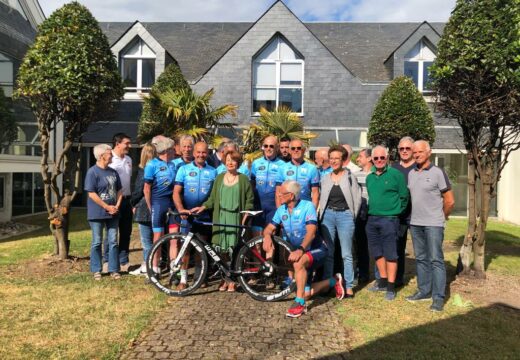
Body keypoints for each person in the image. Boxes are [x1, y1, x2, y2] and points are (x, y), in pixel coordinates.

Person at [263, 180, 344, 318]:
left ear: (292, 195)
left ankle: (300, 304)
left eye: (282, 193)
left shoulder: (308, 206)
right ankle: (333, 281)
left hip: (316, 249)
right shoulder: (281, 210)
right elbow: (269, 228)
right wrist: (267, 236)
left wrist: (300, 249)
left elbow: (311, 232)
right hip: (299, 253)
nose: (279, 195)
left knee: (298, 263)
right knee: (306, 293)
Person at [192, 150, 254, 292]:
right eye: (228, 160)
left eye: (233, 160)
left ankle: (233, 279)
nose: (230, 162)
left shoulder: (243, 179)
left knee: (234, 250)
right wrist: (203, 207)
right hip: (220, 217)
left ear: (238, 163)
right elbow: (212, 199)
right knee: (221, 250)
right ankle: (224, 278)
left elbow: (250, 201)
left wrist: (244, 220)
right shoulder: (219, 178)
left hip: (235, 218)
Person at [407, 140, 455, 312]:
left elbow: (450, 200)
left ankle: (438, 298)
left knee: (436, 259)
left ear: (429, 152)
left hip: (433, 224)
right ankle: (424, 291)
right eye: (414, 152)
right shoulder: (411, 173)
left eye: (419, 152)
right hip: (416, 223)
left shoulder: (437, 172)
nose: (416, 155)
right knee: (421, 259)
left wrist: (441, 217)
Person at [365, 145, 409, 300]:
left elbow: (404, 197)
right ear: (372, 159)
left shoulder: (396, 174)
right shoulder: (369, 176)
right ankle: (382, 281)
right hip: (372, 219)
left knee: (390, 254)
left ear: (387, 157)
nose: (379, 160)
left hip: (390, 219)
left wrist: (395, 212)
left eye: (382, 157)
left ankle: (391, 286)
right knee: (377, 252)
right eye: (376, 158)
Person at [319, 145, 362, 298]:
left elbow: (357, 199)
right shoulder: (325, 178)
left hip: (345, 216)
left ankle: (349, 286)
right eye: (331, 158)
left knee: (346, 254)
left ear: (343, 160)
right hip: (328, 216)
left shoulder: (350, 177)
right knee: (329, 252)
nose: (334, 161)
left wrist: (351, 216)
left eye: (337, 158)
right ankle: (327, 285)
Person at [173, 141, 217, 290]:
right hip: (188, 215)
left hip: (205, 215)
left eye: (204, 152)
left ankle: (199, 277)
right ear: (193, 153)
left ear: (208, 153)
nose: (201, 155)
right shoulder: (183, 169)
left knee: (202, 249)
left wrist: (205, 208)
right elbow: (176, 192)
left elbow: (215, 196)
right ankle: (183, 280)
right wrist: (180, 209)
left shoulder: (213, 171)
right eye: (198, 152)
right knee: (185, 248)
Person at [84, 144, 122, 280]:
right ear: (101, 156)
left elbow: (119, 190)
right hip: (97, 213)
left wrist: (116, 205)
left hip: (113, 213)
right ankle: (96, 269)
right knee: (97, 242)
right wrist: (107, 206)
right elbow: (91, 194)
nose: (111, 155)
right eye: (109, 153)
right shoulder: (92, 172)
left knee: (113, 241)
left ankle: (114, 269)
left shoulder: (113, 172)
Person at [143, 136, 178, 275]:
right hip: (158, 203)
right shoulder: (152, 164)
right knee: (158, 237)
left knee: (174, 238)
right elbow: (146, 188)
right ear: (167, 150)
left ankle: (173, 270)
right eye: (173, 149)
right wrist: (150, 205)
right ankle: (154, 268)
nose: (175, 151)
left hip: (172, 203)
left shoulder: (174, 164)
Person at [103, 133, 132, 273]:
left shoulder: (129, 159)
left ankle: (123, 260)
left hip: (127, 200)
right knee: (111, 233)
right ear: (118, 143)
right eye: (126, 143)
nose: (129, 146)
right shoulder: (109, 158)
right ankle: (107, 261)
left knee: (126, 232)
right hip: (113, 201)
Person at [250, 135, 285, 237]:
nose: (268, 148)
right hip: (258, 206)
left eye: (271, 146)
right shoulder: (256, 163)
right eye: (265, 146)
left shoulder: (283, 165)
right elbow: (252, 184)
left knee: (270, 240)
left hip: (273, 207)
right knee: (256, 241)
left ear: (277, 148)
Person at [129, 142, 156, 276]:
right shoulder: (160, 169)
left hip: (144, 207)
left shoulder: (144, 170)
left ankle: (147, 266)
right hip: (157, 206)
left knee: (146, 241)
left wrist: (133, 203)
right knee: (155, 239)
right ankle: (153, 265)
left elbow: (139, 190)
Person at [392, 136, 416, 287]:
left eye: (408, 148)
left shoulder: (419, 167)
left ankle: (425, 281)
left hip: (417, 215)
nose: (405, 151)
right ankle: (397, 279)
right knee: (397, 248)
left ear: (413, 150)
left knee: (421, 250)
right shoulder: (393, 168)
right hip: (398, 216)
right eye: (402, 149)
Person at [275, 139, 319, 208]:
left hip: (305, 208)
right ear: (289, 151)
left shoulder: (312, 168)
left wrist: (312, 212)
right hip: (287, 208)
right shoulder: (282, 168)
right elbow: (278, 193)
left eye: (299, 148)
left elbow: (315, 193)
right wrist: (279, 211)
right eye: (293, 148)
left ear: (304, 150)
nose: (296, 150)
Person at [353, 148, 372, 283]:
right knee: (361, 244)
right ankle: (363, 273)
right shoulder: (355, 175)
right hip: (360, 214)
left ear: (369, 158)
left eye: (360, 156)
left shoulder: (377, 174)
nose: (358, 159)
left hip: (374, 213)